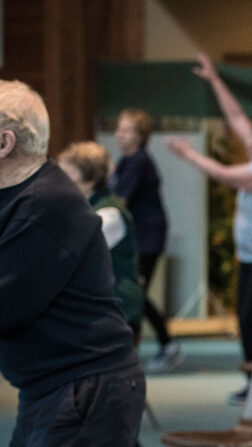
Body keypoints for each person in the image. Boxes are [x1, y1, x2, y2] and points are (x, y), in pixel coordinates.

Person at [0, 79, 145, 445]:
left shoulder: (43, 206)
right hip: (58, 386)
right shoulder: (22, 197)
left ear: (4, 143)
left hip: (84, 389)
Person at [167, 52, 252, 405]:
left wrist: (188, 155)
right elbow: (237, 117)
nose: (251, 142)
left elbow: (224, 175)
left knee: (251, 318)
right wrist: (214, 79)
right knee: (248, 319)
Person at [111, 107, 182, 372]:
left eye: (128, 130)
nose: (121, 135)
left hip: (148, 237)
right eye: (120, 128)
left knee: (134, 293)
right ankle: (164, 343)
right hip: (135, 237)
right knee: (134, 293)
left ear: (141, 136)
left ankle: (164, 344)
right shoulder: (125, 161)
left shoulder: (139, 161)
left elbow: (120, 201)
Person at [57, 142, 145, 339]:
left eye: (67, 176)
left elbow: (70, 254)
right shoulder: (80, 209)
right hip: (96, 315)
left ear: (89, 181)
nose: (58, 183)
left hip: (117, 314)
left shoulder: (109, 215)